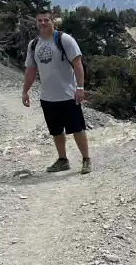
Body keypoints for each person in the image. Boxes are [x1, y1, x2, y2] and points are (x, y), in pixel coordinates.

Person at [22, 10, 92, 174]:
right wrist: (25, 91)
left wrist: (80, 87)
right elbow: (30, 70)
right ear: (36, 23)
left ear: (53, 21)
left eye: (46, 20)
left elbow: (78, 64)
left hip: (68, 94)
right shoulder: (33, 45)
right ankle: (63, 160)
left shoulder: (64, 39)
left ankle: (86, 159)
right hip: (47, 97)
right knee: (56, 131)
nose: (43, 23)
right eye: (39, 20)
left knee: (77, 128)